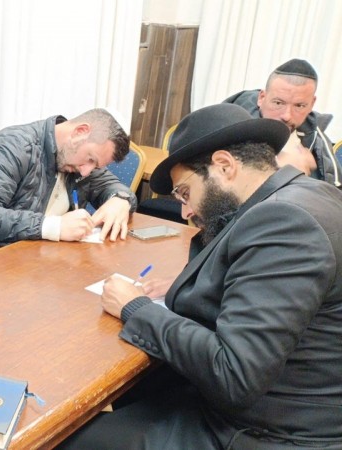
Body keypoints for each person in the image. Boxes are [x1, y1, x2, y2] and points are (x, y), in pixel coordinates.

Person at [59, 104, 342, 449]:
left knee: (66, 438)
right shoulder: (309, 195)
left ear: (224, 166)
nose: (186, 210)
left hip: (266, 432)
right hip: (274, 404)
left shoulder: (284, 224)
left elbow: (234, 375)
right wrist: (194, 287)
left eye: (185, 192)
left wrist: (135, 308)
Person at [0, 108, 136, 268]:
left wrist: (120, 199)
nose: (86, 171)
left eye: (95, 166)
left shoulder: (78, 161)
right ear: (79, 132)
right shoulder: (11, 147)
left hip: (32, 268)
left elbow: (113, 187)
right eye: (90, 159)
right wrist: (55, 227)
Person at [224, 58, 339, 187]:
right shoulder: (229, 129)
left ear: (312, 104)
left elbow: (335, 193)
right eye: (278, 103)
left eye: (299, 106)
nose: (287, 116)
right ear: (262, 98)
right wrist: (280, 171)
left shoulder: (317, 139)